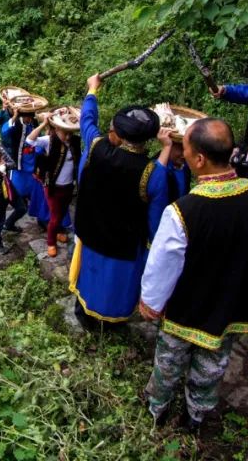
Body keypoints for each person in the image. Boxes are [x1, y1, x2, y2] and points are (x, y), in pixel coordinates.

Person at [139, 117, 248, 431]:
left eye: (184, 148)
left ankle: (157, 407)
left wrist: (151, 303)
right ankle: (196, 415)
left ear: (199, 160)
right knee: (214, 362)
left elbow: (162, 267)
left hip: (189, 307)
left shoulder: (183, 211)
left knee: (169, 361)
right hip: (232, 303)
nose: (183, 154)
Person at [69, 74, 172, 329]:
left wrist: (93, 90)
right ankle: (112, 323)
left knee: (90, 278)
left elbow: (87, 120)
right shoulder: (152, 173)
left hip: (92, 232)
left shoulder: (97, 148)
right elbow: (155, 223)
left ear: (119, 134)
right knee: (115, 286)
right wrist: (168, 147)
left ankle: (85, 316)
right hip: (125, 244)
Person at [28, 113, 80, 258]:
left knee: (63, 212)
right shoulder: (48, 141)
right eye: (65, 133)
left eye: (70, 133)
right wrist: (43, 124)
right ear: (57, 129)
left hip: (68, 186)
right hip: (53, 187)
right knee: (55, 216)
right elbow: (30, 141)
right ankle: (51, 242)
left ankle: (60, 232)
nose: (68, 136)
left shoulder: (74, 142)